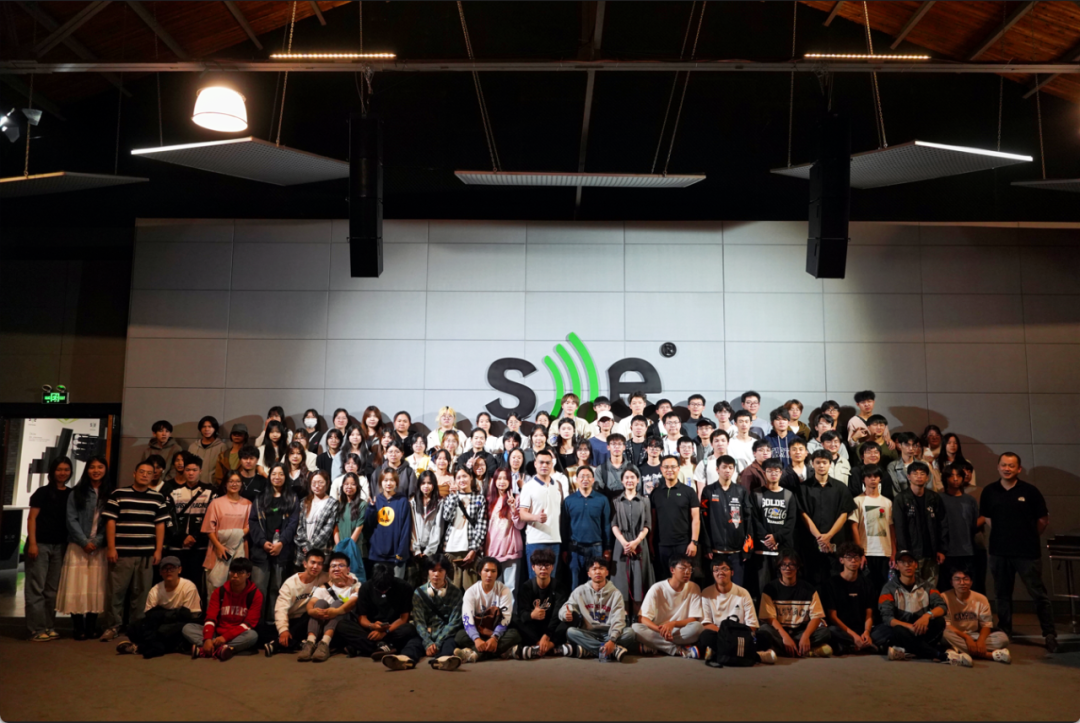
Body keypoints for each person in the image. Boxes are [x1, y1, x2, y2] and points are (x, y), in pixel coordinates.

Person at [979, 452, 1057, 652]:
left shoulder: (1030, 491)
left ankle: (1049, 634)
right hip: (999, 552)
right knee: (1002, 595)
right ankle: (1005, 632)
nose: (1007, 468)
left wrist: (1028, 536)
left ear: (1019, 469)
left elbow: (1043, 520)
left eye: (1011, 465)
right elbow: (987, 518)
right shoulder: (989, 491)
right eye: (1004, 465)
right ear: (998, 467)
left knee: (1038, 594)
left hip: (1027, 552)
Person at [98, 461, 169, 642]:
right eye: (142, 472)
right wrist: (111, 547)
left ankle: (135, 627)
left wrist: (158, 550)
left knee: (141, 593)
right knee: (116, 592)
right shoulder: (119, 494)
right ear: (134, 473)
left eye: (149, 473)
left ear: (154, 476)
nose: (145, 475)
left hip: (146, 553)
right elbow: (110, 522)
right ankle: (112, 626)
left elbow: (160, 525)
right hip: (122, 553)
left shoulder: (157, 498)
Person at [57, 456, 113, 640]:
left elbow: (111, 521)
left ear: (105, 469)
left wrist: (97, 541)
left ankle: (91, 627)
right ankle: (78, 628)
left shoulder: (111, 493)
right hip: (77, 546)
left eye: (100, 467)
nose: (96, 470)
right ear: (86, 470)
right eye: (92, 467)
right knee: (77, 585)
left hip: (99, 547)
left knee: (95, 586)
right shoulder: (76, 492)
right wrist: (83, 541)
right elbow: (70, 519)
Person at [25, 456, 72, 642]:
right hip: (40, 545)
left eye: (66, 469)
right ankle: (36, 629)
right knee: (36, 588)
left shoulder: (71, 494)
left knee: (52, 591)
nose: (62, 473)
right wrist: (33, 543)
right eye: (59, 469)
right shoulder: (42, 492)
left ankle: (49, 626)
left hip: (60, 546)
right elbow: (32, 518)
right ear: (52, 471)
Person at [115, 555, 201, 658]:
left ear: (179, 570)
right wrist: (167, 615)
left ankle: (140, 647)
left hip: (181, 624)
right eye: (165, 569)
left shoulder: (188, 587)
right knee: (135, 628)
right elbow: (149, 616)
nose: (168, 571)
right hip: (161, 623)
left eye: (172, 568)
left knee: (173, 632)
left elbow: (189, 615)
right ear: (160, 572)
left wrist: (163, 614)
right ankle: (155, 645)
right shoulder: (155, 590)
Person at [696, 555, 774, 665]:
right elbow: (706, 623)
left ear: (732, 572)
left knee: (765, 637)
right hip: (719, 635)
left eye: (724, 569)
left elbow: (752, 625)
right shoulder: (706, 593)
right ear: (713, 574)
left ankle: (719, 653)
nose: (720, 572)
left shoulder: (743, 593)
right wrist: (726, 635)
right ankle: (757, 656)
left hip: (741, 635)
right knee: (705, 637)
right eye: (716, 570)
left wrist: (734, 636)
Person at [879, 551, 954, 664]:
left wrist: (926, 616)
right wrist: (909, 627)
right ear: (897, 566)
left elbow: (942, 606)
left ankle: (908, 651)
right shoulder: (888, 588)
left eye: (910, 561)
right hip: (902, 629)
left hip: (921, 628)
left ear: (916, 565)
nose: (907, 565)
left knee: (940, 621)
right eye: (902, 562)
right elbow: (887, 618)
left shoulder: (927, 586)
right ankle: (936, 654)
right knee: (897, 630)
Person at [249, 462, 300, 625]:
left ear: (286, 477)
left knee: (277, 588)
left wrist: (282, 543)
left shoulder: (292, 498)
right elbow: (253, 522)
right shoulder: (260, 498)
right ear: (269, 476)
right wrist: (263, 542)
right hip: (261, 551)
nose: (277, 477)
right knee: (259, 588)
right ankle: (256, 623)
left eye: (281, 474)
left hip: (282, 551)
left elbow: (293, 523)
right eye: (274, 474)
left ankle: (274, 623)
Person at [183, 557, 262, 660]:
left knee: (252, 636)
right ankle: (220, 649)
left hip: (237, 634)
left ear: (248, 575)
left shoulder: (255, 594)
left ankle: (205, 650)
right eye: (232, 572)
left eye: (240, 573)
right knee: (187, 628)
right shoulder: (219, 592)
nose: (235, 576)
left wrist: (225, 637)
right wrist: (207, 639)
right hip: (217, 631)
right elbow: (210, 618)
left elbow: (249, 624)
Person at [757, 550, 832, 658]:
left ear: (797, 567)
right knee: (764, 629)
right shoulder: (770, 588)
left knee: (825, 632)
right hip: (780, 632)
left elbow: (816, 617)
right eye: (784, 565)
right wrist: (785, 637)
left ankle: (782, 650)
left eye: (791, 565)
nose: (787, 568)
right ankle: (805, 650)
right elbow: (769, 618)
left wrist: (805, 636)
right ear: (779, 567)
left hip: (800, 632)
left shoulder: (809, 589)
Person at [798, 449, 856, 586]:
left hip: (835, 543)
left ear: (830, 464)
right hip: (811, 544)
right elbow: (803, 514)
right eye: (818, 462)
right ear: (812, 464)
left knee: (836, 582)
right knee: (812, 581)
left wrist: (828, 536)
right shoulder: (803, 488)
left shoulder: (841, 488)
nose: (821, 466)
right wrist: (820, 538)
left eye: (824, 462)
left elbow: (844, 514)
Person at [162, 454, 214, 606]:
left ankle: (195, 612)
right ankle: (176, 611)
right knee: (177, 582)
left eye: (194, 470)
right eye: (188, 470)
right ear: (183, 471)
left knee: (197, 583)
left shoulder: (210, 492)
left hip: (200, 547)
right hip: (177, 547)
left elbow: (210, 518)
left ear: (200, 471)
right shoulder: (172, 492)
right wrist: (182, 537)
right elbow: (168, 519)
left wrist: (195, 537)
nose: (191, 473)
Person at [561, 557, 636, 661]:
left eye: (601, 568)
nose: (597, 572)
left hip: (609, 633)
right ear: (589, 574)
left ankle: (589, 650)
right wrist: (565, 614)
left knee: (630, 633)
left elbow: (619, 619)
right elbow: (567, 606)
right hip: (589, 633)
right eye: (594, 569)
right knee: (571, 632)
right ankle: (613, 651)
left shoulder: (616, 594)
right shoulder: (580, 591)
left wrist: (612, 640)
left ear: (607, 572)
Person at [632, 554, 703, 658]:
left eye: (690, 569)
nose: (687, 572)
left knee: (698, 627)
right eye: (683, 568)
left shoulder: (694, 587)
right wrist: (660, 630)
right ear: (672, 570)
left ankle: (655, 646)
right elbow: (642, 618)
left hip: (679, 630)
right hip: (658, 631)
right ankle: (678, 650)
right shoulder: (657, 588)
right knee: (635, 628)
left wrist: (673, 624)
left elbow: (694, 618)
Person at [454, 557, 522, 663]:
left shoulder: (504, 590)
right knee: (460, 636)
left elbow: (506, 618)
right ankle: (504, 651)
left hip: (496, 632)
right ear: (479, 572)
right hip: (479, 631)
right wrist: (476, 639)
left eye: (493, 571)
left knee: (514, 634)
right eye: (486, 570)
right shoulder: (471, 592)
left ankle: (475, 654)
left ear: (497, 573)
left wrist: (494, 638)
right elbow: (467, 619)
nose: (489, 575)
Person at [892, 461, 947, 590]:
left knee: (931, 588)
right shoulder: (901, 499)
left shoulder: (934, 498)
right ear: (908, 477)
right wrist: (904, 554)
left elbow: (942, 524)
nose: (919, 476)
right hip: (911, 554)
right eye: (915, 473)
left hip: (932, 553)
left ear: (927, 477)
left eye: (922, 473)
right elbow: (899, 528)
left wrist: (941, 549)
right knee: (912, 588)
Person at [700, 455, 753, 587]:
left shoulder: (741, 491)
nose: (727, 470)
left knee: (737, 589)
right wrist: (707, 546)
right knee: (717, 589)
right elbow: (703, 521)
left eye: (730, 467)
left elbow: (748, 520)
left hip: (737, 552)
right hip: (715, 552)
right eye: (724, 467)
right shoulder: (708, 491)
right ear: (717, 469)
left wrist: (748, 547)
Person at [298, 551, 361, 662]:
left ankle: (325, 644)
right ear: (329, 571)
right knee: (320, 603)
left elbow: (353, 602)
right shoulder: (323, 587)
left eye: (341, 565)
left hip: (343, 629)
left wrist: (336, 611)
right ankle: (310, 642)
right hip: (323, 628)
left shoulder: (355, 586)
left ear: (348, 569)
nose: (337, 569)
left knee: (338, 603)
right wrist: (312, 611)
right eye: (333, 566)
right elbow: (311, 604)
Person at [512, 548, 573, 659]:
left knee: (572, 618)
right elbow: (522, 614)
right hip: (533, 628)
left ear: (552, 567)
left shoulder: (559, 587)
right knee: (513, 618)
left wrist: (547, 636)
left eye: (547, 565)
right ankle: (540, 645)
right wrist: (532, 615)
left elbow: (557, 615)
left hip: (551, 628)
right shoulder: (526, 587)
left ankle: (547, 646)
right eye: (539, 565)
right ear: (533, 567)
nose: (543, 569)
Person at [265, 550, 328, 657]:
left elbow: (343, 576)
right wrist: (283, 630)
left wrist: (352, 580)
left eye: (319, 564)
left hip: (308, 620)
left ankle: (277, 644)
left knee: (312, 613)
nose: (315, 567)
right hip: (290, 620)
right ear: (305, 564)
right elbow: (281, 608)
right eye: (312, 562)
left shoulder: (324, 577)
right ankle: (296, 643)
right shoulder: (290, 583)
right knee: (259, 632)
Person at [942, 567, 1011, 665]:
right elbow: (947, 625)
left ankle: (957, 650)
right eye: (957, 579)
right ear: (951, 582)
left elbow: (986, 625)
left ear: (971, 582)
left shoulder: (981, 598)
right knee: (944, 634)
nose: (962, 583)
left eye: (966, 579)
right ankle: (989, 655)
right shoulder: (944, 597)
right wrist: (967, 638)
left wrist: (981, 641)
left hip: (974, 635)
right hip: (956, 635)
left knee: (1002, 638)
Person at [751, 459, 800, 593]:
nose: (773, 474)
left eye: (776, 471)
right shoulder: (756, 494)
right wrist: (767, 539)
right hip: (762, 550)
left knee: (783, 588)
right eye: (770, 471)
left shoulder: (788, 495)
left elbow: (791, 521)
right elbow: (754, 520)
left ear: (781, 473)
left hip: (782, 550)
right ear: (764, 473)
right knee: (763, 588)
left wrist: (776, 537)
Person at [611, 467, 654, 617]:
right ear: (622, 481)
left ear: (638, 480)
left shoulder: (645, 501)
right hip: (621, 545)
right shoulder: (616, 501)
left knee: (639, 581)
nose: (629, 480)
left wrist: (636, 542)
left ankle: (638, 619)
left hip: (639, 544)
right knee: (621, 581)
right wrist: (624, 543)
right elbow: (614, 525)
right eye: (627, 478)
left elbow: (647, 524)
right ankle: (623, 619)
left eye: (632, 477)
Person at [560, 466, 612, 588]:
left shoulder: (602, 500)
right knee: (575, 584)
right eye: (582, 476)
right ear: (576, 480)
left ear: (593, 479)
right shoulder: (568, 501)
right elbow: (564, 526)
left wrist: (607, 548)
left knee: (596, 584)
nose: (585, 479)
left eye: (588, 476)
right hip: (574, 548)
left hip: (596, 547)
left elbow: (606, 525)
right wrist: (564, 549)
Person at [822, 542, 878, 655]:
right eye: (849, 557)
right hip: (843, 630)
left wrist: (866, 632)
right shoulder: (832, 583)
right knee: (829, 631)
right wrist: (853, 636)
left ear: (861, 560)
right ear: (841, 560)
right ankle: (860, 645)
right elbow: (833, 617)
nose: (853, 561)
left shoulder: (867, 583)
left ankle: (854, 645)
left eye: (856, 557)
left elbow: (869, 614)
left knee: (885, 630)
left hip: (862, 629)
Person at [649, 455, 700, 579]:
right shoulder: (655, 493)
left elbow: (695, 519)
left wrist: (694, 542)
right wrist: (650, 542)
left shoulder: (689, 492)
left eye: (673, 467)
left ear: (678, 469)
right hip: (662, 545)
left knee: (684, 578)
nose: (669, 470)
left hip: (684, 545)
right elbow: (653, 521)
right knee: (664, 579)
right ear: (661, 469)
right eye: (666, 467)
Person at [848, 464, 895, 596]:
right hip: (867, 551)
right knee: (866, 589)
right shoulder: (857, 501)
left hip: (884, 552)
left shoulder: (887, 502)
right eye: (869, 476)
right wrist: (860, 553)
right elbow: (854, 527)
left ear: (880, 479)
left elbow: (891, 529)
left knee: (884, 590)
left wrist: (893, 552)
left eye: (876, 476)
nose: (873, 479)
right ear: (863, 479)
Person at [412, 556, 465, 671]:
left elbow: (455, 622)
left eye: (440, 570)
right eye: (433, 570)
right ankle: (405, 659)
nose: (436, 574)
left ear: (446, 572)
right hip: (427, 632)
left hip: (446, 632)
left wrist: (437, 643)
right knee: (413, 643)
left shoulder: (455, 592)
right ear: (428, 571)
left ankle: (443, 660)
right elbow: (419, 621)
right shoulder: (419, 593)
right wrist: (427, 642)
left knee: (450, 642)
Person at [201, 472, 251, 591]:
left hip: (239, 548)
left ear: (242, 484)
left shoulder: (248, 504)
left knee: (237, 587)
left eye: (237, 481)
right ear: (225, 484)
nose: (234, 484)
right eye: (231, 481)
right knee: (215, 588)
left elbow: (249, 526)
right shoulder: (216, 503)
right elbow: (209, 528)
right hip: (218, 548)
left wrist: (233, 538)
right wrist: (219, 546)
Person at [440, 467, 489, 589]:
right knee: (452, 589)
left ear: (471, 477)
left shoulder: (479, 498)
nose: (462, 480)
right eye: (458, 477)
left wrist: (473, 550)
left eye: (465, 476)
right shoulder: (451, 497)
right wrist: (453, 496)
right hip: (451, 548)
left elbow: (481, 526)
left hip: (469, 549)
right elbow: (447, 516)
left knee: (470, 588)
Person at [518, 449, 564, 575]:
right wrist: (536, 517)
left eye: (548, 463)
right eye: (541, 462)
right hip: (535, 541)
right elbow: (522, 514)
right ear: (535, 464)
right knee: (535, 581)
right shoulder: (528, 487)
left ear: (552, 464)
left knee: (551, 580)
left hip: (555, 540)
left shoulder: (558, 485)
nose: (544, 465)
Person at [938, 463, 982, 592]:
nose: (955, 479)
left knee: (968, 586)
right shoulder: (939, 498)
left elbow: (974, 524)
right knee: (946, 587)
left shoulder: (970, 500)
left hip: (968, 550)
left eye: (958, 476)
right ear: (945, 478)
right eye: (951, 476)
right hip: (947, 551)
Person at [485, 468, 525, 593]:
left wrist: (513, 508)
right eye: (499, 478)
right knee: (494, 589)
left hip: (510, 550)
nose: (502, 481)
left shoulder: (517, 498)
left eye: (505, 478)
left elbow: (520, 525)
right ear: (494, 481)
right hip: (492, 550)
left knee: (510, 589)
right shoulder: (488, 500)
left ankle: (511, 608)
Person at [368, 469, 413, 578]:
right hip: (378, 555)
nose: (389, 483)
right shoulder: (376, 500)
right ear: (380, 483)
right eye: (385, 480)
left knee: (397, 586)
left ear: (396, 482)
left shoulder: (402, 501)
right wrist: (371, 508)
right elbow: (368, 526)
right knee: (379, 585)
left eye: (392, 480)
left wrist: (401, 553)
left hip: (396, 555)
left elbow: (406, 529)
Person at [293, 470, 340, 568]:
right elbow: (300, 526)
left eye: (320, 482)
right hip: (304, 551)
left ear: (327, 483)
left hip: (322, 549)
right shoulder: (304, 502)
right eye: (313, 483)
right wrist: (304, 545)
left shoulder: (332, 503)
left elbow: (328, 529)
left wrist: (310, 546)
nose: (317, 486)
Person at [334, 472, 369, 582]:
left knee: (355, 581)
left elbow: (359, 527)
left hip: (355, 548)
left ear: (357, 487)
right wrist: (339, 546)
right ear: (342, 486)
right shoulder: (338, 505)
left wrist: (348, 547)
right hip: (339, 549)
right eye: (346, 484)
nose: (349, 487)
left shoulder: (362, 504)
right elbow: (335, 527)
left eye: (353, 484)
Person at [595, 433, 635, 500]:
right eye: (613, 444)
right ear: (608, 447)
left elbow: (637, 490)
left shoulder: (632, 468)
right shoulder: (600, 469)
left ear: (624, 447)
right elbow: (598, 493)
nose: (616, 447)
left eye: (619, 444)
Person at [188, 416, 225, 487]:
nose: (206, 429)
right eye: (204, 427)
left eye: (210, 426)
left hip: (213, 486)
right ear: (200, 429)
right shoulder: (193, 447)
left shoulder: (221, 447)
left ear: (215, 429)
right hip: (194, 485)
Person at [212, 423, 250, 488]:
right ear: (231, 435)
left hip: (244, 488)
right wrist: (226, 487)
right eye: (234, 433)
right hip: (225, 489)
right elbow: (218, 476)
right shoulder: (222, 455)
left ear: (245, 436)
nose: (237, 435)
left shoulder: (250, 455)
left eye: (240, 434)